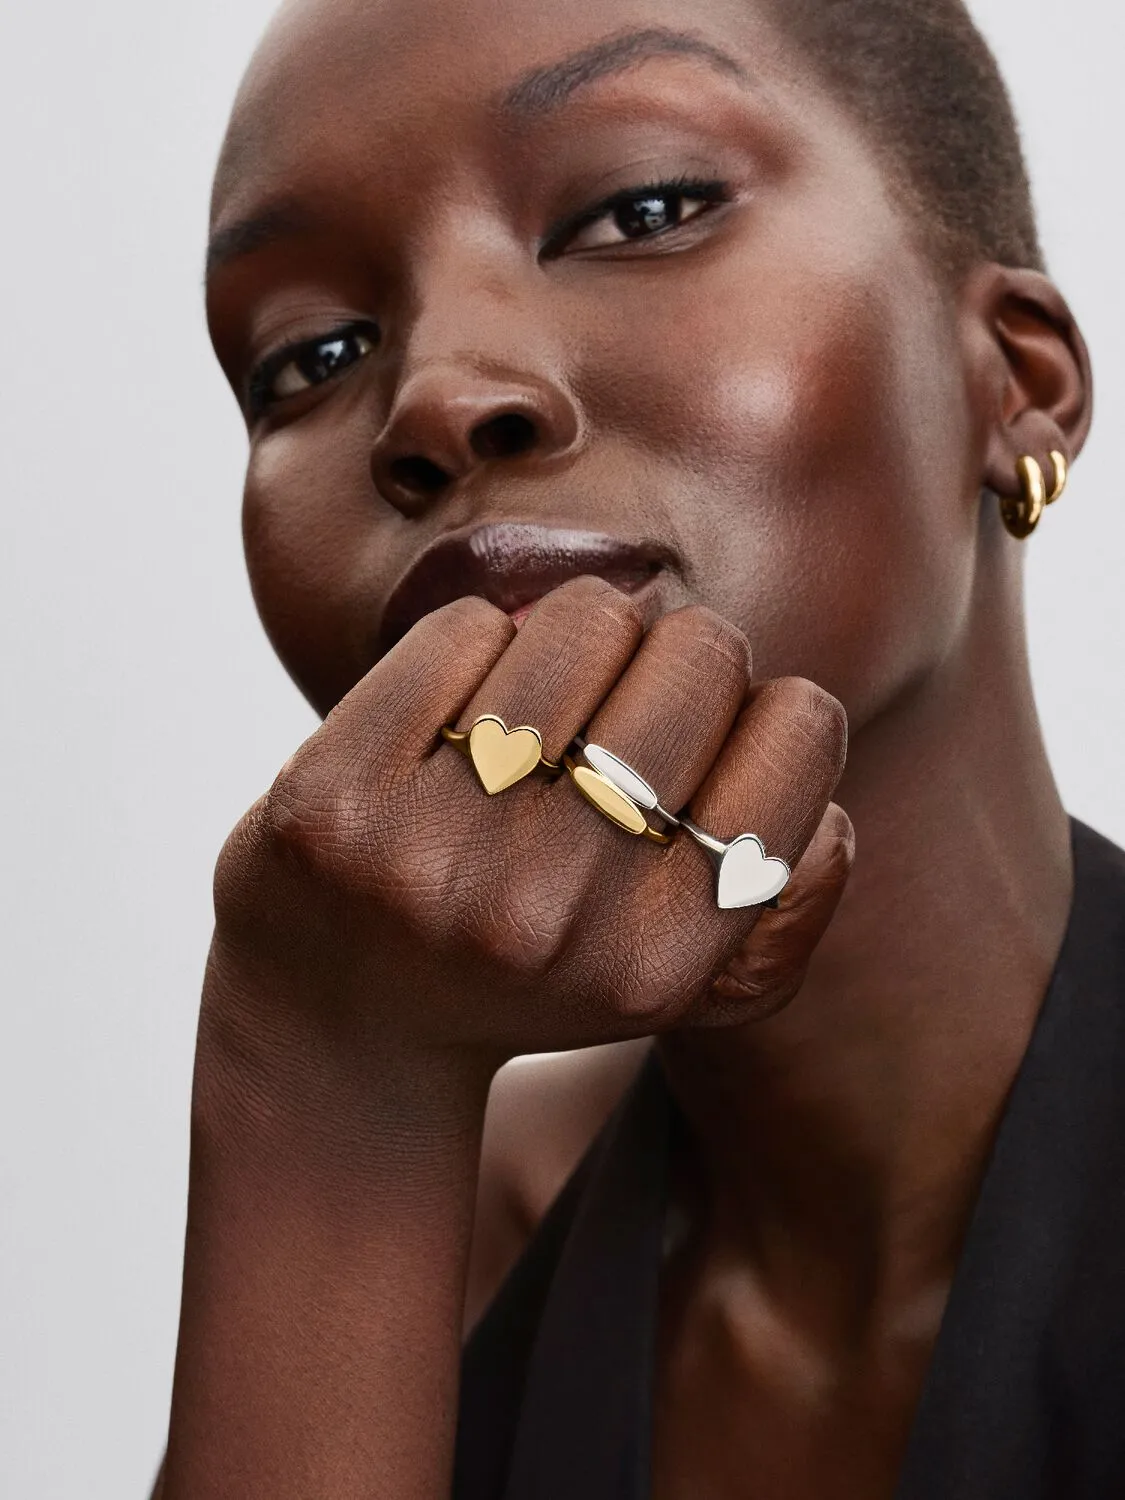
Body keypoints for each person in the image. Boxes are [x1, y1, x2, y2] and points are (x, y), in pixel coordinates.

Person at [152, 0, 1125, 1494]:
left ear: (1019, 381)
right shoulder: (443, 1230)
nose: (435, 399)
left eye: (641, 211)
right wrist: (321, 1089)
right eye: (310, 353)